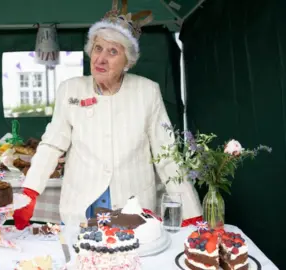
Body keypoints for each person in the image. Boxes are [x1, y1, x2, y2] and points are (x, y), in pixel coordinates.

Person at [13, 0, 203, 229]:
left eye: (113, 51)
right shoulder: (70, 89)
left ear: (128, 61)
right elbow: (52, 145)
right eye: (98, 48)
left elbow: (167, 154)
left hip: (133, 207)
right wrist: (30, 192)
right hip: (82, 206)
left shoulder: (147, 91)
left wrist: (192, 212)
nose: (101, 58)